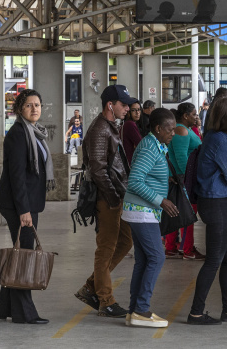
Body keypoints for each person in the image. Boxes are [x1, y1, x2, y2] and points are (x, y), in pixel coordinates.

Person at [188, 96, 227, 325]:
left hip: (219, 201)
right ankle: (196, 312)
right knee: (215, 259)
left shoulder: (216, 138)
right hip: (216, 203)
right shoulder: (220, 141)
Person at [74, 85, 137, 319]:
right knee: (106, 248)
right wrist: (112, 198)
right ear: (110, 105)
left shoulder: (111, 127)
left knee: (126, 240)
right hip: (106, 197)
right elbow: (98, 169)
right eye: (124, 104)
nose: (128, 108)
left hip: (117, 195)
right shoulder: (100, 129)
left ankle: (92, 287)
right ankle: (106, 301)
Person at [0, 89, 55, 325]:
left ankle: (5, 307)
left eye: (38, 105)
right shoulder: (18, 134)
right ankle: (24, 313)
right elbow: (16, 175)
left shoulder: (35, 133)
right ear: (20, 108)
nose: (35, 109)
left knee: (20, 253)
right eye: (29, 105)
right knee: (25, 256)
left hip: (26, 202)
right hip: (18, 204)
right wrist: (24, 210)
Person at [123, 108, 180, 328]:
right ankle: (141, 310)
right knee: (157, 257)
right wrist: (161, 200)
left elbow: (147, 175)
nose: (173, 133)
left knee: (145, 260)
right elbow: (135, 181)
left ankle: (134, 311)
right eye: (170, 129)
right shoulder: (149, 147)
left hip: (142, 211)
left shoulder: (155, 145)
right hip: (142, 211)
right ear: (157, 128)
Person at [165, 102, 205, 260]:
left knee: (176, 212)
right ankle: (187, 249)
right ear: (185, 115)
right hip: (185, 178)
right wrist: (186, 180)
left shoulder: (185, 129)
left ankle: (171, 247)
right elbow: (182, 158)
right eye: (194, 114)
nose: (196, 117)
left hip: (183, 178)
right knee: (189, 214)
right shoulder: (181, 130)